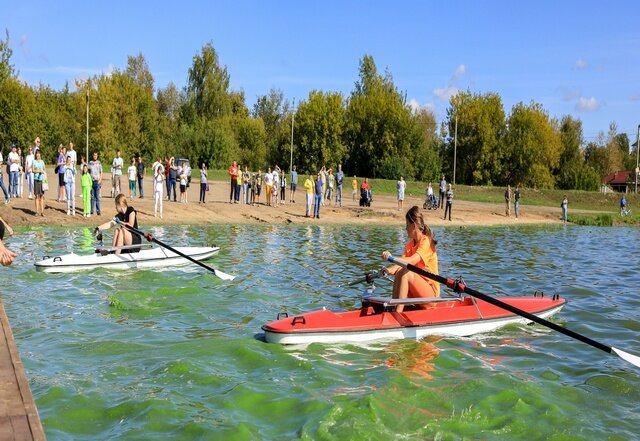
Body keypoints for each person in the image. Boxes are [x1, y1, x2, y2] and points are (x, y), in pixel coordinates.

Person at [381, 206, 440, 313]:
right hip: (418, 293)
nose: (406, 228)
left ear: (414, 226)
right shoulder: (410, 245)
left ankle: (398, 312)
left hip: (431, 295)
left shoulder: (426, 241)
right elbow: (400, 264)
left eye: (407, 225)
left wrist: (392, 258)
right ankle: (393, 307)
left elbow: (412, 260)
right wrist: (388, 271)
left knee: (406, 272)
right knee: (400, 271)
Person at [32, 149, 46, 216]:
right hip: (36, 179)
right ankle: (37, 211)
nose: (38, 154)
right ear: (35, 154)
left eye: (39, 153)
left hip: (41, 180)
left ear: (40, 154)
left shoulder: (42, 161)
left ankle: (42, 212)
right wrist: (38, 171)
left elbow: (44, 170)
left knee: (42, 195)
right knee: (37, 196)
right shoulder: (34, 161)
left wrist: (42, 171)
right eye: (37, 153)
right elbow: (33, 170)